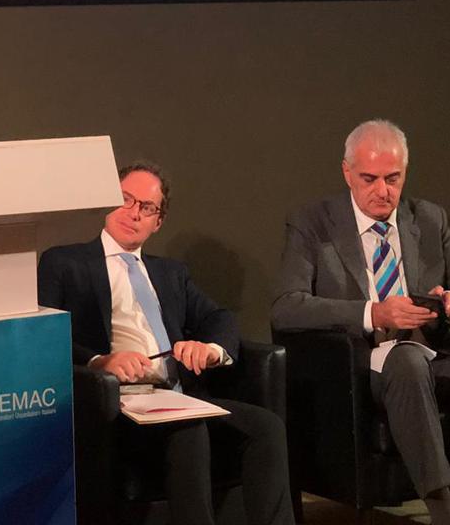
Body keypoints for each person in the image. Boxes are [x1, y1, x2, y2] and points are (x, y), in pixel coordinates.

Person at [271, 120, 450, 525]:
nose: (383, 191)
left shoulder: (427, 219)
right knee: (405, 360)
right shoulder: (313, 222)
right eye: (369, 179)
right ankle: (442, 510)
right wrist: (375, 313)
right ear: (347, 172)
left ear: (405, 173)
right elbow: (286, 307)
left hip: (437, 355)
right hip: (363, 366)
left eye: (393, 179)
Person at [37, 162, 293, 525]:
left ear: (158, 222)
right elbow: (46, 337)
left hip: (179, 396)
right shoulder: (65, 262)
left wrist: (209, 350)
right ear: (107, 202)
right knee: (188, 429)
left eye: (147, 207)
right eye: (126, 199)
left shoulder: (171, 273)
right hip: (116, 403)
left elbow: (219, 318)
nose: (134, 213)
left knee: (267, 427)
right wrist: (100, 362)